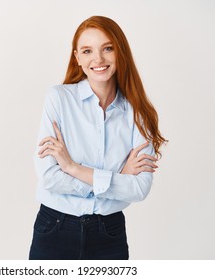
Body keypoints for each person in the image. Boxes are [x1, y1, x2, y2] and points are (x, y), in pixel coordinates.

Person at [29, 15, 167, 260]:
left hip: (109, 234)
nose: (98, 59)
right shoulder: (59, 99)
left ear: (120, 52)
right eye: (87, 50)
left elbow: (139, 189)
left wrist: (72, 167)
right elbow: (50, 178)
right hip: (55, 229)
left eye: (107, 48)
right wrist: (116, 180)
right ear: (77, 58)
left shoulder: (138, 112)